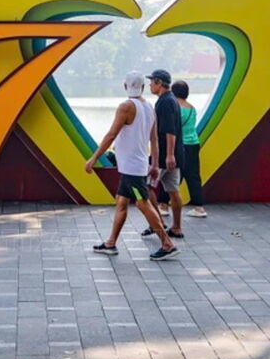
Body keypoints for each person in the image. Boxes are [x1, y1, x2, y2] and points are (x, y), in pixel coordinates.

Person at [84, 70, 179, 261]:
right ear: (143, 87)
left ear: (125, 86)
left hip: (132, 168)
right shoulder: (149, 106)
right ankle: (111, 243)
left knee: (143, 203)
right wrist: (154, 164)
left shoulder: (126, 107)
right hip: (136, 165)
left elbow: (111, 135)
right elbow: (154, 139)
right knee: (121, 201)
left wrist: (93, 158)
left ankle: (167, 244)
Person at [142, 69, 185, 239]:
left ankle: (157, 223)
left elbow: (169, 130)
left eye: (152, 82)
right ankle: (177, 227)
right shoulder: (172, 100)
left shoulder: (164, 102)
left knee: (147, 187)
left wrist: (169, 155)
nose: (150, 85)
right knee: (173, 191)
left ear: (159, 83)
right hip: (175, 154)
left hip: (163, 156)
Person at [172, 80, 206, 218]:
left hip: (180, 144)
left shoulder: (176, 108)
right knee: (193, 176)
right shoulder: (192, 108)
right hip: (193, 143)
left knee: (172, 175)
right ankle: (199, 207)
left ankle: (163, 204)